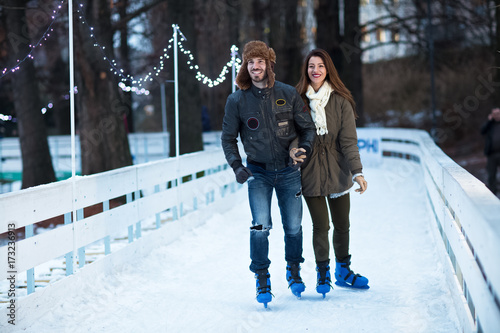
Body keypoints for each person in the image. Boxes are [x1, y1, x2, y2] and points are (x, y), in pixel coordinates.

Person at [221, 41, 316, 307]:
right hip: (258, 173)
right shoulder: (236, 100)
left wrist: (303, 149)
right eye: (250, 62)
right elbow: (228, 139)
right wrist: (237, 166)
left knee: (294, 227)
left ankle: (294, 271)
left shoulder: (287, 93)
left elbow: (307, 129)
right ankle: (262, 277)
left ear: (269, 64)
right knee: (260, 226)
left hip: (289, 171)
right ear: (245, 66)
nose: (255, 66)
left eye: (260, 61)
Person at [291, 48, 369, 297]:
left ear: (328, 70)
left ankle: (343, 270)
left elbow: (348, 142)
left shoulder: (341, 101)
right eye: (311, 66)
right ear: (306, 70)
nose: (316, 70)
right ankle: (323, 271)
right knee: (320, 225)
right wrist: (293, 151)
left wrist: (357, 172)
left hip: (337, 171)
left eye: (321, 66)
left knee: (342, 224)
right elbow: (289, 136)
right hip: (310, 172)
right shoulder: (296, 100)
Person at [481, 107, 500, 195]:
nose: (497, 116)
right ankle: (493, 194)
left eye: (498, 113)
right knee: (491, 175)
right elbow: (482, 131)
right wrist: (489, 121)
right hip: (491, 154)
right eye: (495, 114)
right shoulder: (490, 125)